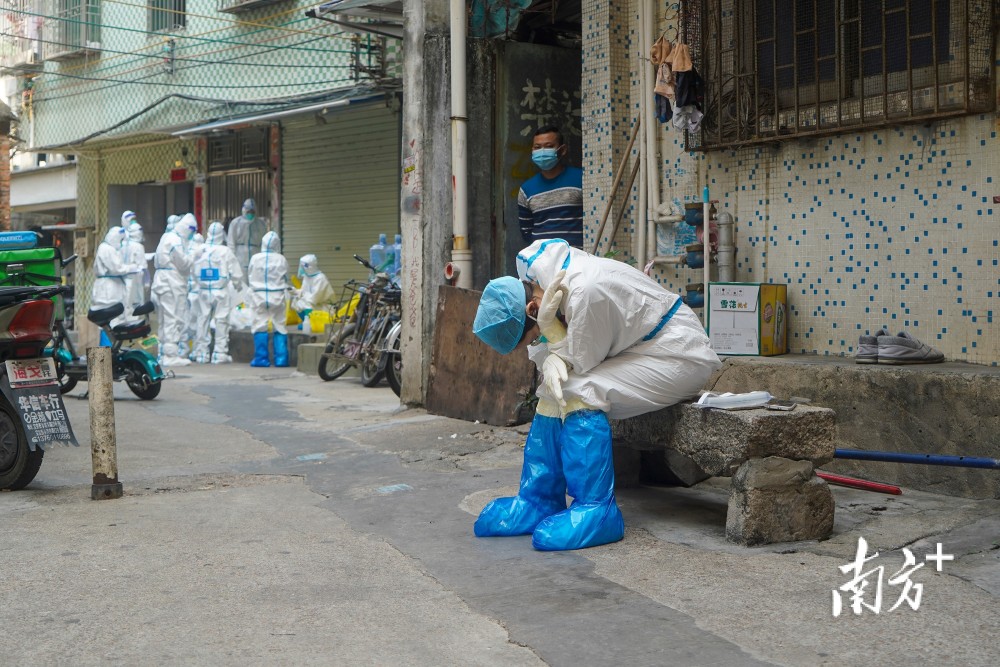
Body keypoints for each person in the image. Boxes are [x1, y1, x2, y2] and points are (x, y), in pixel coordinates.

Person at [472, 238, 722, 551]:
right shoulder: (542, 282)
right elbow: (559, 354)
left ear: (531, 309)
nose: (536, 340)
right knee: (554, 389)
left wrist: (549, 331)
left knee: (580, 390)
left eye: (533, 333)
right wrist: (547, 340)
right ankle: (538, 500)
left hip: (678, 353)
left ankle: (596, 510)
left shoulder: (584, 291)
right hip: (636, 348)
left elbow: (581, 363)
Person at [517, 126, 584, 249]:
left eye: (548, 146)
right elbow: (526, 232)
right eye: (537, 147)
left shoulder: (582, 179)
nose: (542, 151)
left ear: (562, 150)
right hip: (543, 262)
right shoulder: (526, 189)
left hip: (577, 260)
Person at [191, 222, 244, 364]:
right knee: (221, 320)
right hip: (220, 291)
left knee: (202, 320)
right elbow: (236, 273)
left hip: (203, 291)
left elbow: (191, 269)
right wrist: (238, 285)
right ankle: (219, 353)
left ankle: (202, 353)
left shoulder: (199, 250)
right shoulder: (225, 251)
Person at [151, 213, 198, 367]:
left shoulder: (166, 237)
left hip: (162, 281)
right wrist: (194, 254)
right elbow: (183, 263)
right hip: (171, 282)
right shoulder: (176, 241)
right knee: (174, 317)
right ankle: (171, 355)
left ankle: (164, 353)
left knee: (165, 319)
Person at [246, 231, 290, 367]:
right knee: (280, 326)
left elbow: (250, 275)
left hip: (258, 296)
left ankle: (261, 359)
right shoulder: (281, 259)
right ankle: (281, 360)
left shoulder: (255, 258)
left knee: (259, 326)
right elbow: (286, 277)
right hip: (277, 295)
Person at [92, 226, 142, 336]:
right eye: (121, 240)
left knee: (112, 322)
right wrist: (131, 268)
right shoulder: (106, 249)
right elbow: (116, 269)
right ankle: (104, 352)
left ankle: (111, 351)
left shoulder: (109, 249)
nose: (122, 243)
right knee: (109, 321)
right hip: (107, 291)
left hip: (110, 289)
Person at [291, 254, 334, 331]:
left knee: (305, 304)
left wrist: (303, 297)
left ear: (309, 266)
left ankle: (311, 322)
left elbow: (315, 298)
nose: (301, 268)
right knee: (296, 301)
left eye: (303, 266)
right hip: (314, 304)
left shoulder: (320, 278)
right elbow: (304, 291)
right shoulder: (307, 277)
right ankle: (306, 321)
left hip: (324, 307)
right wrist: (294, 291)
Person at [182, 232, 206, 361]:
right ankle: (198, 352)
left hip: (187, 292)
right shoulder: (204, 252)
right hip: (199, 293)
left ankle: (184, 350)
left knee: (186, 323)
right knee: (199, 323)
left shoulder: (186, 251)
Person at [123, 220, 149, 326]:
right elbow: (143, 266)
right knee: (137, 301)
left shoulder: (124, 244)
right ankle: (135, 324)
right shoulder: (138, 246)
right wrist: (147, 281)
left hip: (125, 277)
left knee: (127, 302)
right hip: (136, 277)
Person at [227, 198, 258, 276]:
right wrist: (231, 262)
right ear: (244, 211)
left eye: (252, 212)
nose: (250, 214)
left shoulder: (261, 224)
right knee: (241, 283)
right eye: (248, 212)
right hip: (240, 259)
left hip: (256, 259)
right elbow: (231, 243)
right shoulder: (235, 223)